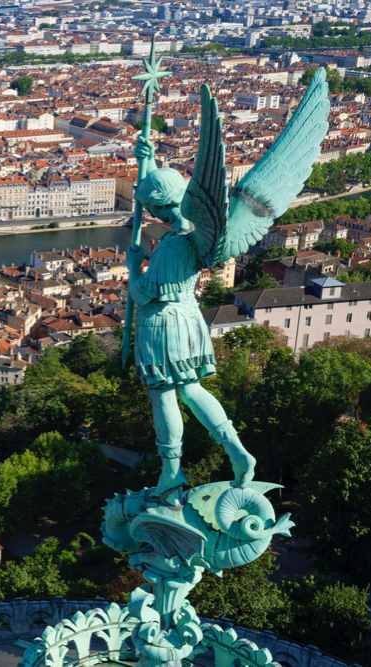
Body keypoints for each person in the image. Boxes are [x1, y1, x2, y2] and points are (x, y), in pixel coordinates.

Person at [129, 136, 255, 502]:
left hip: (162, 325)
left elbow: (142, 294)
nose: (152, 215)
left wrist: (133, 266)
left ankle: (171, 471)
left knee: (163, 395)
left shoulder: (173, 247)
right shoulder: (192, 234)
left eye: (153, 209)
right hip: (188, 320)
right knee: (192, 389)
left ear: (160, 206)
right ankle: (237, 451)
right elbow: (165, 196)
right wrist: (150, 161)